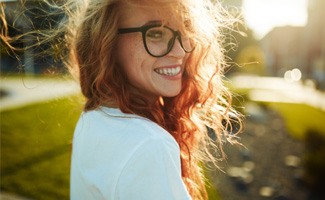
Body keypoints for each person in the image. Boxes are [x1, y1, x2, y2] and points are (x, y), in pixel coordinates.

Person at [1, 0, 242, 199]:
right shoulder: (149, 145)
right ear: (105, 42)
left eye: (186, 31)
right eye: (156, 33)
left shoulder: (96, 117)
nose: (180, 51)